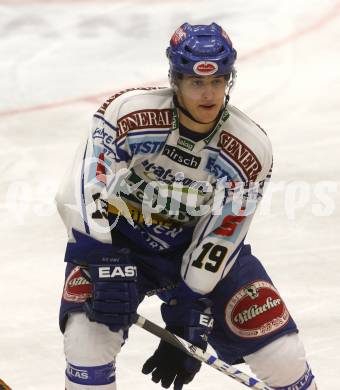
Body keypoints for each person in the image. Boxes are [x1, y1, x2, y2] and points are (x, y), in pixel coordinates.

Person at [56, 22, 317, 390]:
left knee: (283, 355)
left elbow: (224, 234)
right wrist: (101, 259)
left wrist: (192, 305)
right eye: (196, 82)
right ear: (175, 80)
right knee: (86, 339)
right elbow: (81, 188)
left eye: (218, 81)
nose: (208, 94)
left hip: (194, 249)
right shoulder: (129, 113)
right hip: (121, 244)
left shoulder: (249, 148)